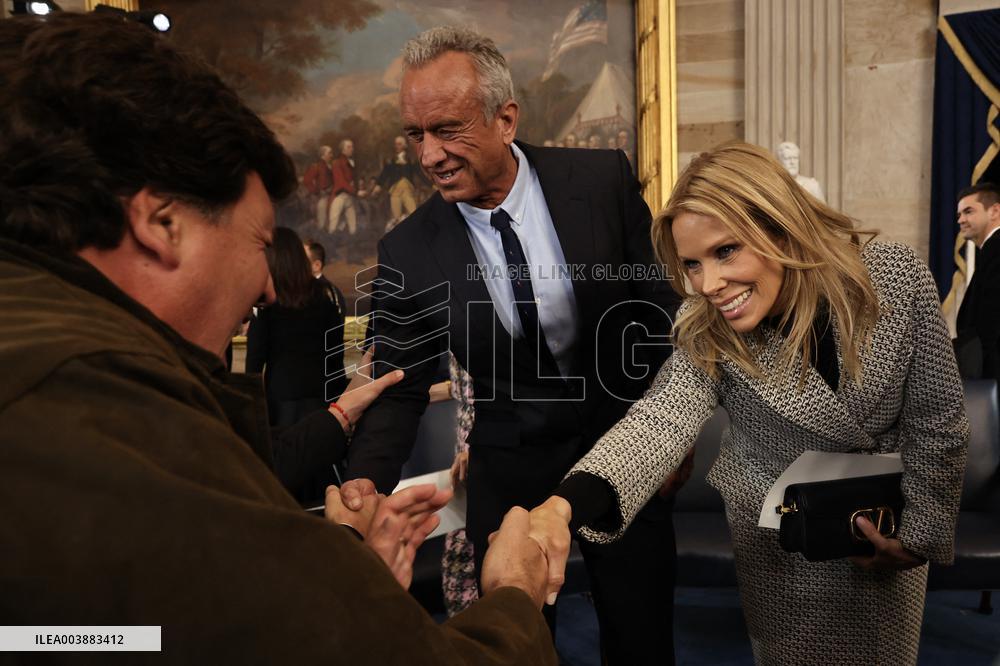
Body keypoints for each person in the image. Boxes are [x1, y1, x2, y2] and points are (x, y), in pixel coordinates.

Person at [0, 13, 559, 664]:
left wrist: (340, 573)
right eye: (261, 243)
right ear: (160, 222)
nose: (269, 288)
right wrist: (516, 595)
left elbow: (98, 639)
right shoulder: (101, 407)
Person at [530, 141, 969, 665]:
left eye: (725, 251)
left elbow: (938, 422)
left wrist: (916, 537)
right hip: (782, 550)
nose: (709, 285)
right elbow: (658, 422)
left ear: (779, 225)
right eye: (692, 264)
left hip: (880, 531)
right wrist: (562, 507)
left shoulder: (893, 278)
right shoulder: (707, 329)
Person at [338, 26, 683, 664]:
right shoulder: (408, 251)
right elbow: (397, 387)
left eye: (447, 129)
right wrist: (363, 482)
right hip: (511, 472)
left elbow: (657, 313)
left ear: (505, 118)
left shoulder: (600, 180)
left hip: (622, 455)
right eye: (415, 134)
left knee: (640, 638)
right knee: (517, 648)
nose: (429, 155)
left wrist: (668, 438)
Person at [246, 227, 347, 427]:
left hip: (280, 402)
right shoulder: (324, 296)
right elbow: (335, 355)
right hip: (320, 398)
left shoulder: (268, 300)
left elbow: (255, 360)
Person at [954, 182, 1000, 381]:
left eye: (969, 211)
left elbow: (992, 321)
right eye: (959, 215)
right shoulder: (991, 250)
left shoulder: (997, 248)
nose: (961, 220)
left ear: (994, 211)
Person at [374, 135, 423, 230]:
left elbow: (420, 174)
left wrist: (432, 184)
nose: (397, 146)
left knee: (414, 215)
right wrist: (378, 186)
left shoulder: (411, 160)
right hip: (395, 192)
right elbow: (384, 175)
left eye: (399, 144)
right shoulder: (390, 161)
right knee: (396, 219)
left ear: (405, 146)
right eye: (396, 144)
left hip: (407, 191)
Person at [301, 144, 334, 228]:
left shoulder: (331, 167)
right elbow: (307, 181)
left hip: (332, 195)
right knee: (322, 222)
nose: (332, 155)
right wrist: (317, 191)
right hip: (321, 197)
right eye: (329, 153)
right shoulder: (316, 166)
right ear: (323, 155)